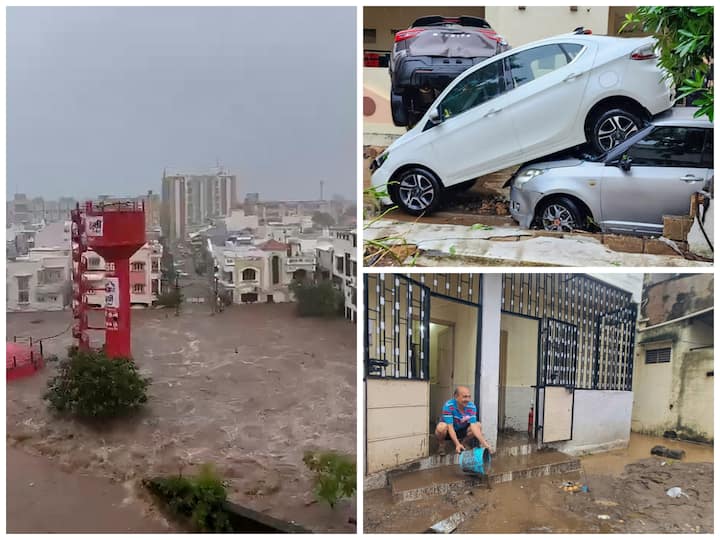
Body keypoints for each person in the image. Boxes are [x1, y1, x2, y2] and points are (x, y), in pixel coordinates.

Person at [435, 386, 492, 455]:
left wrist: (485, 444)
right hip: (448, 432)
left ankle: (463, 443)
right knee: (441, 427)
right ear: (456, 397)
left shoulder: (471, 406)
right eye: (464, 397)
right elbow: (450, 427)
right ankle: (441, 445)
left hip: (462, 431)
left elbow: (473, 426)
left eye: (469, 397)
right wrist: (457, 444)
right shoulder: (449, 406)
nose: (467, 399)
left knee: (478, 425)